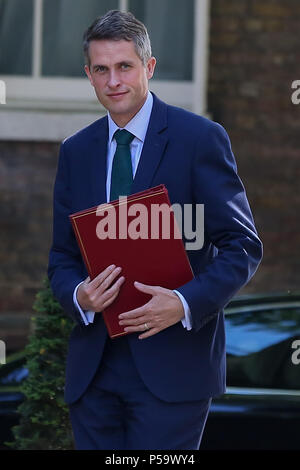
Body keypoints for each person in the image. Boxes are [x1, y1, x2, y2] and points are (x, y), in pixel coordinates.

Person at [48, 10, 263, 450]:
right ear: (88, 74)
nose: (114, 81)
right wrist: (78, 296)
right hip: (95, 369)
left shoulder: (200, 139)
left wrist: (185, 303)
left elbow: (242, 246)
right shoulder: (77, 151)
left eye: (125, 66)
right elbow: (62, 257)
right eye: (102, 70)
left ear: (149, 67)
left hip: (174, 367)